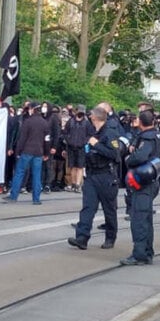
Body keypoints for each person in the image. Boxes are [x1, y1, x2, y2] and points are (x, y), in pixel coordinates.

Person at [68, 106, 122, 250]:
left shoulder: (109, 133)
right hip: (92, 175)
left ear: (94, 118)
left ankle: (110, 237)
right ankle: (82, 237)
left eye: (90, 116)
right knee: (88, 207)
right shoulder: (94, 133)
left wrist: (96, 145)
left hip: (106, 176)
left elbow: (114, 154)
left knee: (109, 209)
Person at [120, 109, 160, 265]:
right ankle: (147, 252)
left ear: (140, 122)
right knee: (146, 218)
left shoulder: (147, 137)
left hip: (143, 182)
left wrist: (128, 158)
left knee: (139, 219)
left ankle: (139, 253)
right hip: (152, 180)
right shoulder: (158, 135)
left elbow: (140, 157)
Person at [4, 102, 48, 204]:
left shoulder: (28, 122)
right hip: (39, 152)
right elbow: (47, 139)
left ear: (32, 109)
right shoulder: (44, 123)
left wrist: (18, 151)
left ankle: (13, 196)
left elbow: (22, 139)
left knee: (19, 173)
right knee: (37, 175)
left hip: (27, 151)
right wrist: (46, 153)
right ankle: (36, 199)